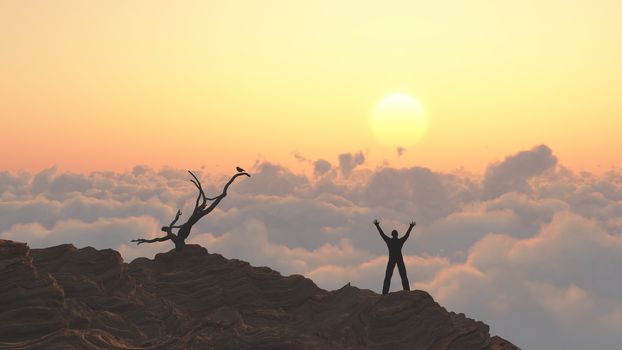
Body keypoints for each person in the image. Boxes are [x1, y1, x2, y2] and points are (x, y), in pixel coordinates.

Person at [373, 219, 416, 295]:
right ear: (395, 235)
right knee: (397, 276)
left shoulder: (391, 241)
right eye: (395, 233)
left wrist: (377, 226)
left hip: (395, 259)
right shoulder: (397, 241)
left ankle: (385, 293)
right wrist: (410, 227)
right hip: (396, 259)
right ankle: (405, 291)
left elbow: (382, 234)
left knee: (394, 276)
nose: (395, 234)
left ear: (392, 235)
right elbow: (406, 235)